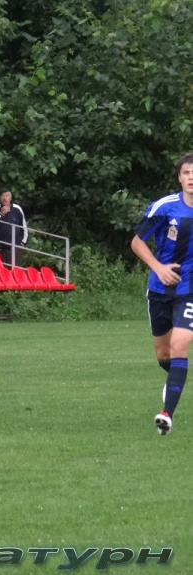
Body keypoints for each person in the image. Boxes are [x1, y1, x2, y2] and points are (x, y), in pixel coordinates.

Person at [130, 152, 193, 435]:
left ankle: (166, 414)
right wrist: (158, 267)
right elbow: (136, 242)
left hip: (189, 290)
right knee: (164, 354)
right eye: (186, 173)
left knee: (179, 346)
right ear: (179, 177)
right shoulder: (165, 207)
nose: (191, 178)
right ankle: (177, 378)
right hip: (159, 289)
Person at [0, 188, 27, 267]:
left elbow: (24, 227)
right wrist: (1, 214)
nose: (5, 198)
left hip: (14, 248)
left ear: (10, 197)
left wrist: (22, 243)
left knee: (15, 271)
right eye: (2, 196)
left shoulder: (17, 209)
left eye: (7, 195)